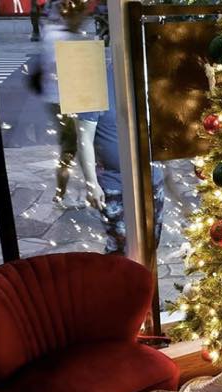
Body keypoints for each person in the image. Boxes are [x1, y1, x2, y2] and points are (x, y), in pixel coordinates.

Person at [75, 52, 165, 253]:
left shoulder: (149, 80)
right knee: (121, 246)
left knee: (151, 242)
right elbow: (84, 138)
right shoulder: (96, 84)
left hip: (151, 178)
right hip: (114, 183)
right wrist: (91, 183)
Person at [40, 0, 88, 207]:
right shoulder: (61, 38)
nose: (84, 20)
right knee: (72, 147)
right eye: (81, 16)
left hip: (65, 100)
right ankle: (61, 193)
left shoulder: (52, 34)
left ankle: (63, 192)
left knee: (74, 146)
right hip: (64, 101)